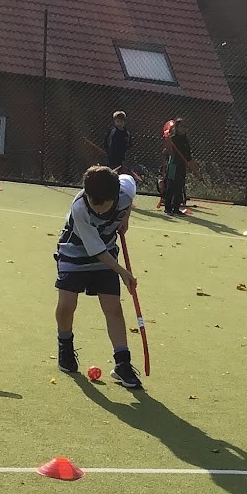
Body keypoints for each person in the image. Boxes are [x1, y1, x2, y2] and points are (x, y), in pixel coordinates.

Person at [55, 164, 142, 389]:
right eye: (95, 203)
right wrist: (123, 272)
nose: (99, 210)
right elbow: (95, 249)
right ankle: (65, 346)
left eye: (104, 205)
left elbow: (129, 182)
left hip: (106, 252)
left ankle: (122, 365)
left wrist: (126, 217)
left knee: (113, 307)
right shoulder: (80, 207)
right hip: (74, 252)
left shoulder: (123, 191)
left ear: (115, 196)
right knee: (67, 304)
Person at [162, 117, 194, 215]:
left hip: (181, 165)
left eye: (185, 127)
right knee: (171, 186)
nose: (184, 129)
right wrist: (168, 147)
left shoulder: (185, 140)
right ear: (177, 127)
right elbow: (168, 152)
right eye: (182, 127)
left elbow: (188, 155)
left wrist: (190, 164)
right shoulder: (172, 139)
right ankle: (168, 208)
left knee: (179, 186)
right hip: (173, 164)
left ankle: (176, 208)